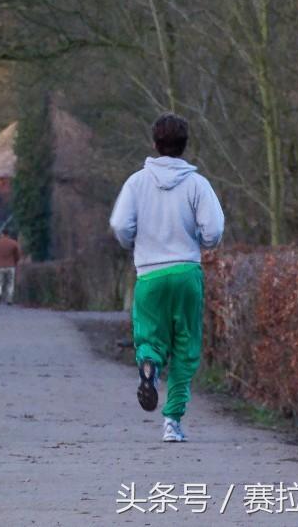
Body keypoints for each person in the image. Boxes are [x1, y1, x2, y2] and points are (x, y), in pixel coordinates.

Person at [109, 113, 224, 443]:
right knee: (186, 346)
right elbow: (213, 229)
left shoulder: (136, 182)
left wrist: (133, 241)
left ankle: (149, 365)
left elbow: (120, 224)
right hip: (186, 271)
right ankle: (172, 421)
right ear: (185, 145)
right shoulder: (197, 184)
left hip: (150, 274)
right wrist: (203, 242)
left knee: (150, 336)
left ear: (154, 144)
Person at [0, 232, 23, 305]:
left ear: (2, 234)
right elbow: (18, 254)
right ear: (8, 234)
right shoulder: (13, 243)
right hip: (11, 265)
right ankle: (9, 299)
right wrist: (15, 261)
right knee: (10, 283)